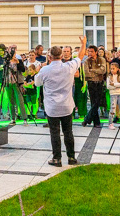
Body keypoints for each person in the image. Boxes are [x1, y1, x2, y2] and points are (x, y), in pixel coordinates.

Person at [36, 37, 87, 167]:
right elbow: (80, 57)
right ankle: (71, 157)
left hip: (52, 107)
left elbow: (37, 83)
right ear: (61, 55)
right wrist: (83, 43)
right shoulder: (69, 66)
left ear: (50, 56)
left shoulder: (45, 70)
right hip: (66, 106)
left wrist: (40, 70)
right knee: (68, 132)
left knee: (55, 133)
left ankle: (57, 159)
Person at [2, 46, 27, 124]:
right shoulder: (6, 61)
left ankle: (24, 118)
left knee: (20, 100)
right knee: (11, 101)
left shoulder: (18, 60)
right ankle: (13, 118)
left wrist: (18, 63)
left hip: (17, 83)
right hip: (8, 82)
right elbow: (4, 70)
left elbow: (23, 69)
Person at [106, 61, 120, 130]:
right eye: (111, 69)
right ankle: (110, 123)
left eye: (113, 68)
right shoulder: (109, 77)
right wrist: (117, 85)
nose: (112, 70)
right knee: (112, 109)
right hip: (113, 94)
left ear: (117, 68)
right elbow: (108, 86)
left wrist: (113, 84)